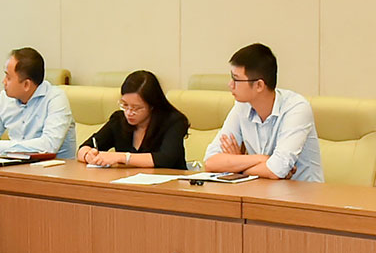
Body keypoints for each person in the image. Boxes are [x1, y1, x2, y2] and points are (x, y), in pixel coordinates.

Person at [203, 42, 322, 182]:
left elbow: (277, 169)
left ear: (259, 85)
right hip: (261, 190)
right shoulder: (242, 106)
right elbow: (210, 162)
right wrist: (262, 160)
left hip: (303, 193)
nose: (230, 85)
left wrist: (236, 167)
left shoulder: (297, 108)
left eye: (236, 79)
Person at [0, 47, 75, 160]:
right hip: (16, 166)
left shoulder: (55, 99)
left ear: (26, 85)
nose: (3, 82)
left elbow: (49, 145)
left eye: (8, 77)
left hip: (54, 168)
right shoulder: (4, 98)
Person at [78, 70, 187, 170]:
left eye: (136, 108)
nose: (129, 113)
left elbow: (166, 159)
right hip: (125, 182)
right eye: (125, 105)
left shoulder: (173, 121)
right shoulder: (119, 120)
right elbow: (84, 147)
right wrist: (88, 155)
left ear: (152, 105)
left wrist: (122, 158)